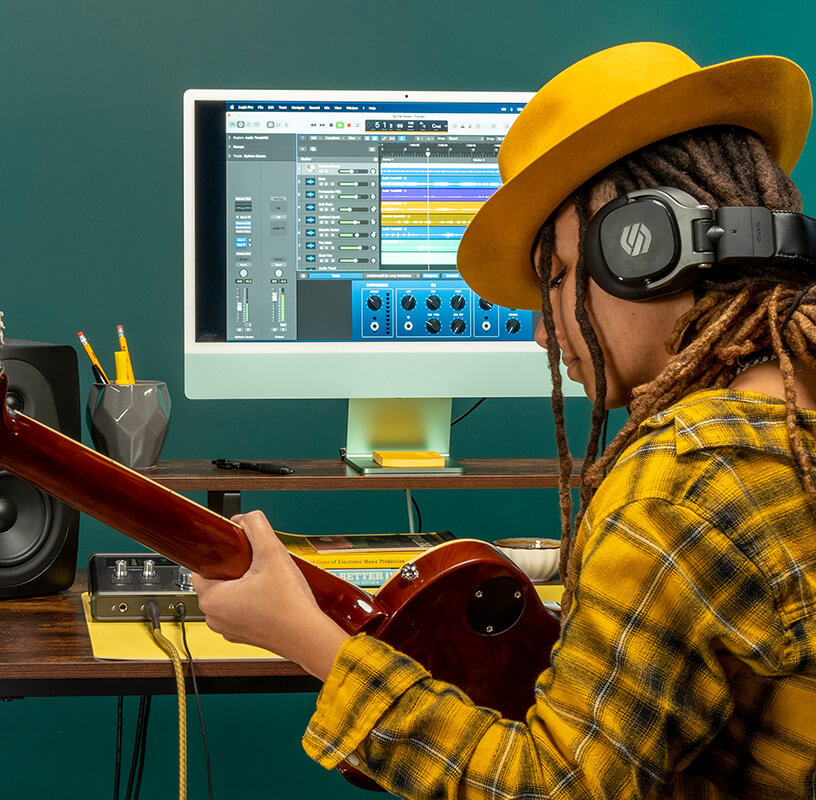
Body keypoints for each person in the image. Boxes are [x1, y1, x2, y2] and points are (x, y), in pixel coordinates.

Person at [192, 42, 816, 798]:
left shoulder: (678, 485)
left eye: (554, 275)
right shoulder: (784, 415)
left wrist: (307, 637)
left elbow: (549, 789)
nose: (542, 334)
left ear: (641, 249)